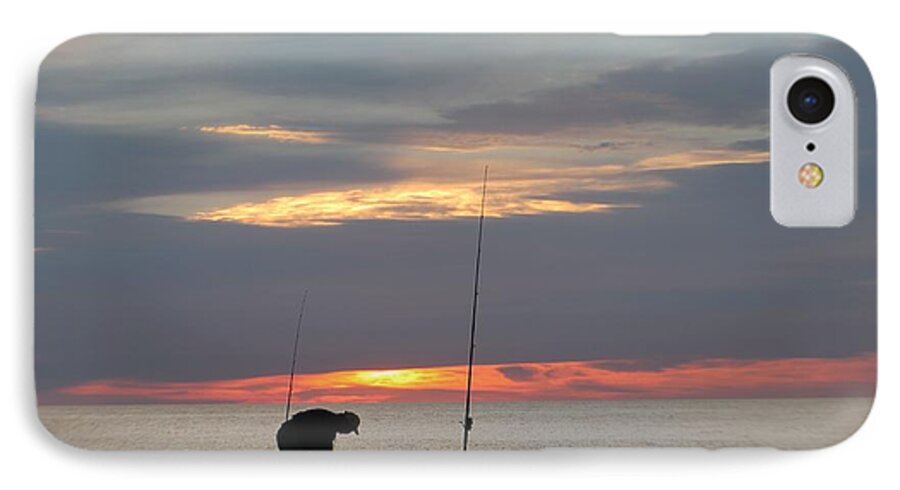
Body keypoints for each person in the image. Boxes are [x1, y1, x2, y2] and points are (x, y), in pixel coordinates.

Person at [276, 408, 360, 450]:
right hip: (289, 437)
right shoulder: (329, 425)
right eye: (349, 430)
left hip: (285, 432)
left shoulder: (329, 417)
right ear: (345, 424)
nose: (347, 432)